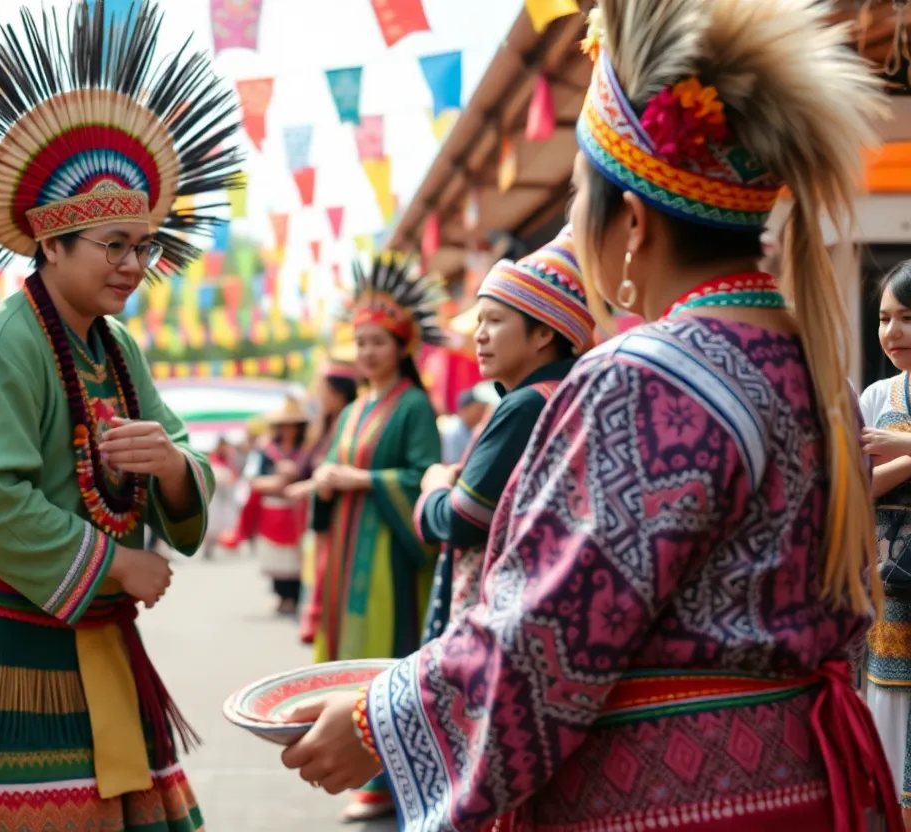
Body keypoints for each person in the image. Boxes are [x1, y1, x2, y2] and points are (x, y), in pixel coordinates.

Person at [279, 0, 901, 829]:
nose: (575, 217)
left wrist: (375, 722)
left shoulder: (644, 382)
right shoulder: (807, 373)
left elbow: (547, 637)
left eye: (578, 192)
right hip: (801, 789)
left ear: (632, 222)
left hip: (667, 802)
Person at [0, 4, 239, 830]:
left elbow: (179, 449)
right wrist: (120, 568)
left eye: (145, 245)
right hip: (9, 649)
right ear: (51, 241)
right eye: (115, 244)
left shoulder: (115, 348)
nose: (136, 266)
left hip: (87, 638)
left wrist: (175, 469)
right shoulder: (1, 346)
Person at [292, 253, 445, 822]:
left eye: (378, 342)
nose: (368, 353)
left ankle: (389, 777)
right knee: (349, 649)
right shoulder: (355, 409)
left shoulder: (412, 407)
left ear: (402, 347)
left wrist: (360, 479)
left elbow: (425, 475)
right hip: (347, 550)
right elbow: (331, 464)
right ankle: (361, 763)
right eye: (360, 343)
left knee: (385, 649)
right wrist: (323, 484)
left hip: (387, 555)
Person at [417, 226, 592, 642]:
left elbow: (463, 520)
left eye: (495, 321)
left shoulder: (528, 404)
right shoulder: (566, 391)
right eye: (480, 321)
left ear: (545, 333)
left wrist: (432, 490)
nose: (479, 335)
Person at [860, 259, 911, 827]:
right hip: (892, 597)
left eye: (907, 318)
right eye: (883, 319)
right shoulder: (877, 396)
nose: (892, 334)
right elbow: (852, 491)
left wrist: (899, 447)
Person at [291, 348, 359, 645]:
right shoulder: (324, 427)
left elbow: (335, 471)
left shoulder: (347, 424)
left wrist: (304, 487)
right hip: (318, 514)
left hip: (335, 516)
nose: (320, 395)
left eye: (325, 390)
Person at [233, 397, 310, 614]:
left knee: (296, 556)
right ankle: (279, 594)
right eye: (284, 425)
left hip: (297, 508)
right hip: (272, 508)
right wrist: (277, 482)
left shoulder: (307, 450)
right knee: (275, 554)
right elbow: (253, 479)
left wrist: (295, 477)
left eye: (293, 425)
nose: (288, 429)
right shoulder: (265, 451)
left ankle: (295, 596)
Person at [440, 389, 486, 464]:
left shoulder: (474, 428)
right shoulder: (452, 431)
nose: (481, 412)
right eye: (477, 408)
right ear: (465, 409)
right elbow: (451, 463)